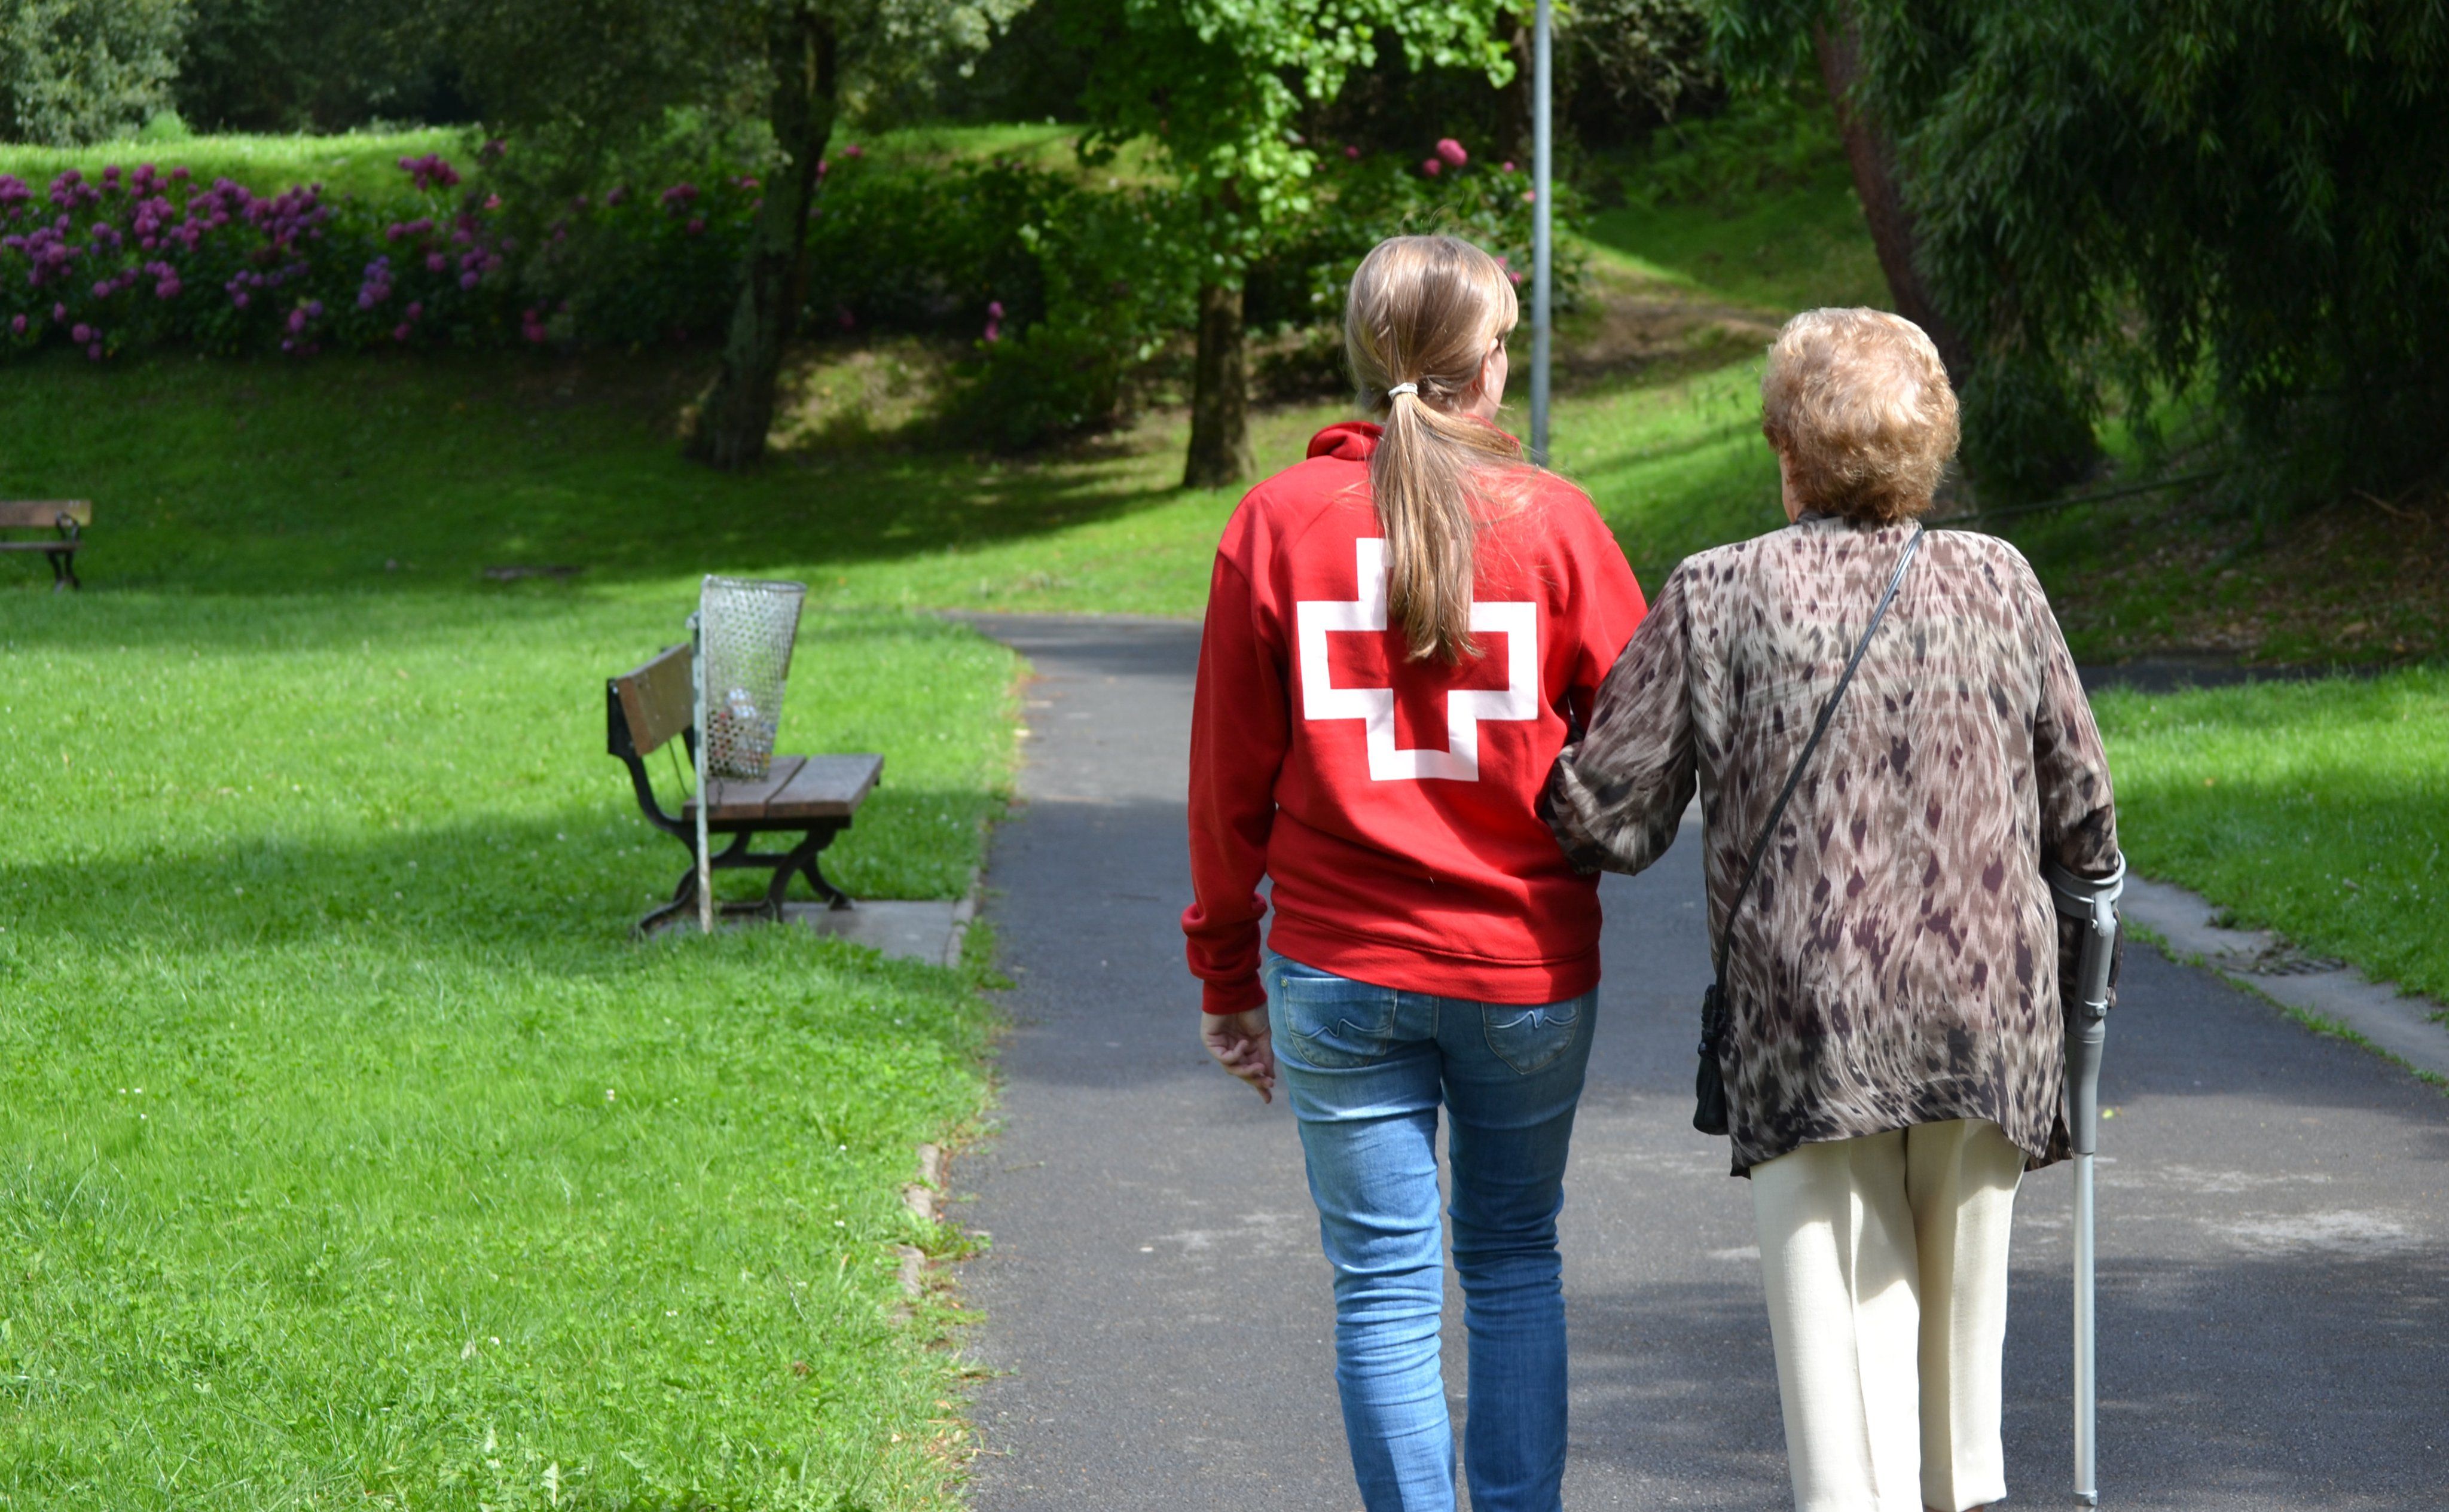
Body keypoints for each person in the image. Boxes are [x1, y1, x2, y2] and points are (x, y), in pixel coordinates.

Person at [1545, 307, 2120, 1512]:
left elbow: (1608, 820)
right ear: (1931, 445)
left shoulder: (1718, 590)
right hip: (1985, 1009)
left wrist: (1523, 737)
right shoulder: (1999, 578)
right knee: (1958, 1356)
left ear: (1784, 448)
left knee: (1837, 1381)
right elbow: (2084, 812)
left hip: (1811, 1015)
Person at [1182, 234, 1647, 1512]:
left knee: (1382, 1287)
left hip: (1335, 965)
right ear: (1481, 368)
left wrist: (1223, 969)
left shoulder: (1270, 524)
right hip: (1526, 964)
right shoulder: (1553, 522)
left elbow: (1226, 785)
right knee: (1510, 1261)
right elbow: (1643, 730)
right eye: (1504, 344)